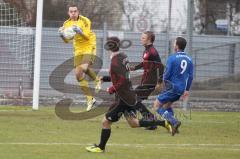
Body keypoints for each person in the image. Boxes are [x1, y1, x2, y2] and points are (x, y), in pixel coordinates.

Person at [85, 37, 172, 153]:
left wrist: (112, 88)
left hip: (124, 98)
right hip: (129, 95)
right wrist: (105, 79)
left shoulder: (115, 61)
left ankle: (100, 147)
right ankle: (163, 122)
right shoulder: (123, 57)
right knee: (134, 123)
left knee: (105, 121)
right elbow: (123, 76)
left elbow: (122, 80)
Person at [58, 4, 101, 111]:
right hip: (78, 49)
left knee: (83, 67)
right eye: (71, 11)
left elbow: (86, 37)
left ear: (78, 12)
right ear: (68, 13)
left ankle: (97, 80)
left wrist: (79, 31)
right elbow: (67, 41)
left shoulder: (85, 20)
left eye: (75, 11)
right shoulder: (66, 24)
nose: (73, 13)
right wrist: (62, 35)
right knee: (78, 75)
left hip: (89, 45)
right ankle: (90, 99)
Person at [153, 37, 194, 135]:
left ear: (177, 46)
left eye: (174, 43)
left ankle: (174, 122)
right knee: (167, 106)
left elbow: (166, 74)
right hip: (181, 89)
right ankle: (173, 127)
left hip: (171, 87)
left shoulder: (172, 58)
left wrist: (161, 83)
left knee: (156, 106)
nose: (173, 45)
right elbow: (191, 76)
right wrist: (187, 90)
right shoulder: (189, 59)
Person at [130, 31, 165, 130]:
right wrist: (134, 68)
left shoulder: (153, 51)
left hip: (150, 82)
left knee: (132, 98)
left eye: (143, 38)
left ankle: (151, 119)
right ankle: (151, 122)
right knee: (134, 99)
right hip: (145, 81)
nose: (141, 39)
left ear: (149, 39)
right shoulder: (147, 50)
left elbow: (161, 67)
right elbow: (144, 62)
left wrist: (159, 82)